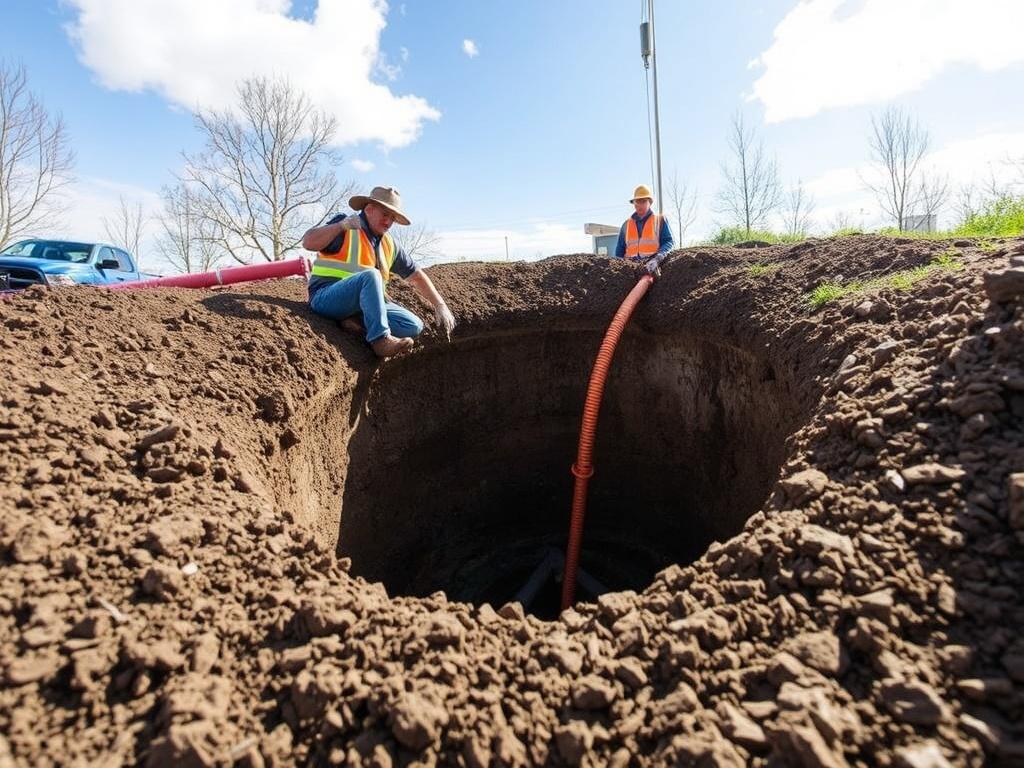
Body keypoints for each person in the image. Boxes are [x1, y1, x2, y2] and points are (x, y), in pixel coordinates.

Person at [301, 186, 455, 358]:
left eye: (392, 218)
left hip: (360, 306)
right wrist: (341, 226)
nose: (388, 222)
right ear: (369, 209)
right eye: (385, 214)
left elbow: (416, 275)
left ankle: (354, 322)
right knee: (371, 274)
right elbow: (308, 242)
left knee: (412, 325)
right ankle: (380, 340)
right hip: (325, 297)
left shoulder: (390, 244)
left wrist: (440, 305)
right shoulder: (345, 225)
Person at [615, 184, 674, 276]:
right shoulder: (626, 225)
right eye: (637, 202)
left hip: (652, 265)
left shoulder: (660, 220)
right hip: (630, 269)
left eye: (643, 201)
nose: (639, 204)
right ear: (633, 203)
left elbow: (668, 242)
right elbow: (619, 251)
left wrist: (658, 258)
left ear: (650, 202)